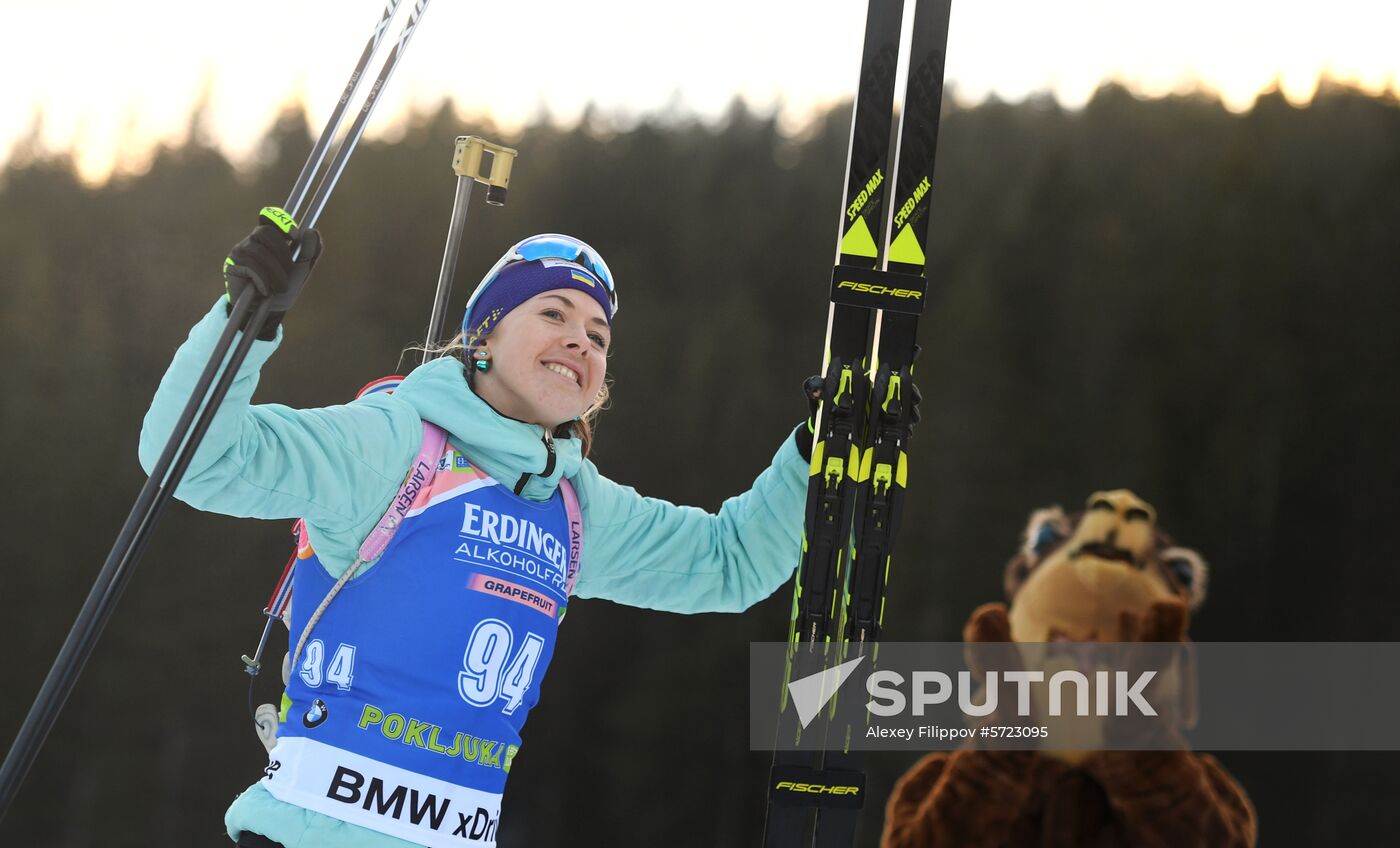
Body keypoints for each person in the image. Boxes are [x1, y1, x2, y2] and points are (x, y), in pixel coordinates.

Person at [139, 212, 816, 848]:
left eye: (599, 335)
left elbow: (730, 563)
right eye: (553, 312)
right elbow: (196, 456)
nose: (581, 338)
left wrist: (817, 452)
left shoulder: (575, 505)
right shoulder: (396, 443)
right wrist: (246, 320)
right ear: (484, 336)